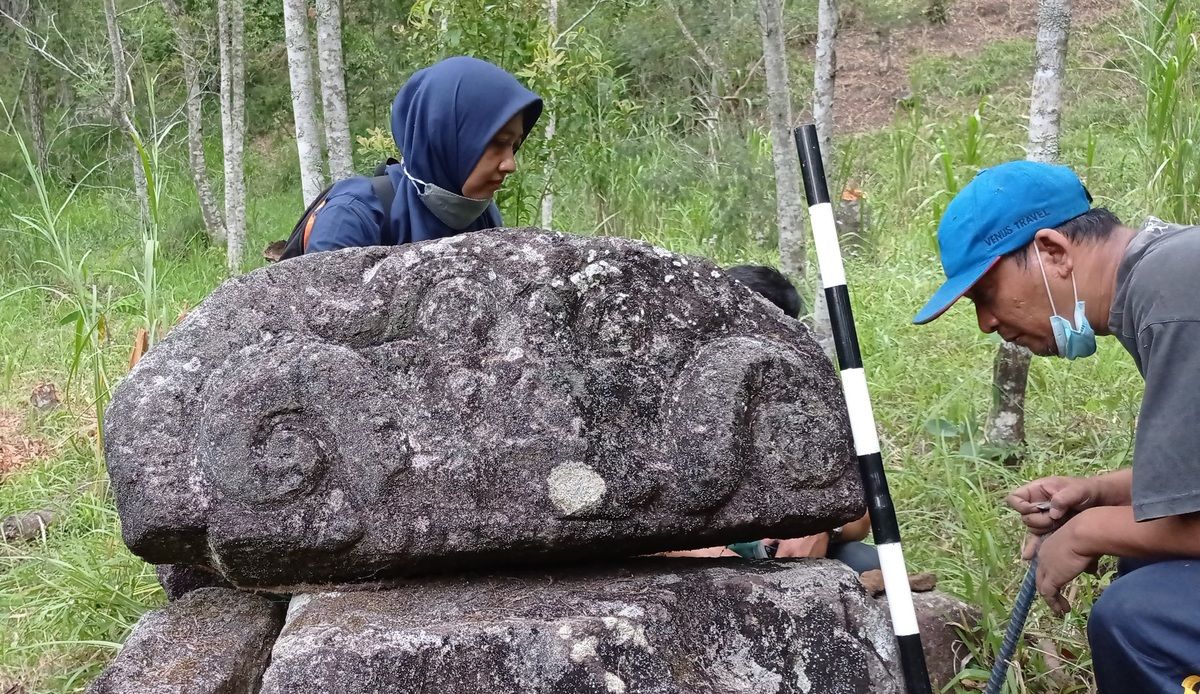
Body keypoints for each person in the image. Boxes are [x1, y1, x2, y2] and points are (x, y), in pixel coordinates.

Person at [912, 160, 1200, 692]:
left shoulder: (1176, 302)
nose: (987, 324)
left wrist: (1087, 532)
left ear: (1053, 252)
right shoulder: (1170, 277)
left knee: (1139, 617)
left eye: (985, 295)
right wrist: (1097, 494)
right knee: (1146, 568)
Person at [666, 265, 880, 575]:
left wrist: (820, 530)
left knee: (866, 560)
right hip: (688, 559)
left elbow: (861, 519)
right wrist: (700, 551)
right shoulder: (667, 395)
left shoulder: (809, 405)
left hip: (781, 556)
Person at [302, 56, 543, 253]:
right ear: (444, 136)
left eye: (514, 146)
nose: (510, 164)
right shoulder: (352, 217)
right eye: (498, 143)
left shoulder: (482, 218)